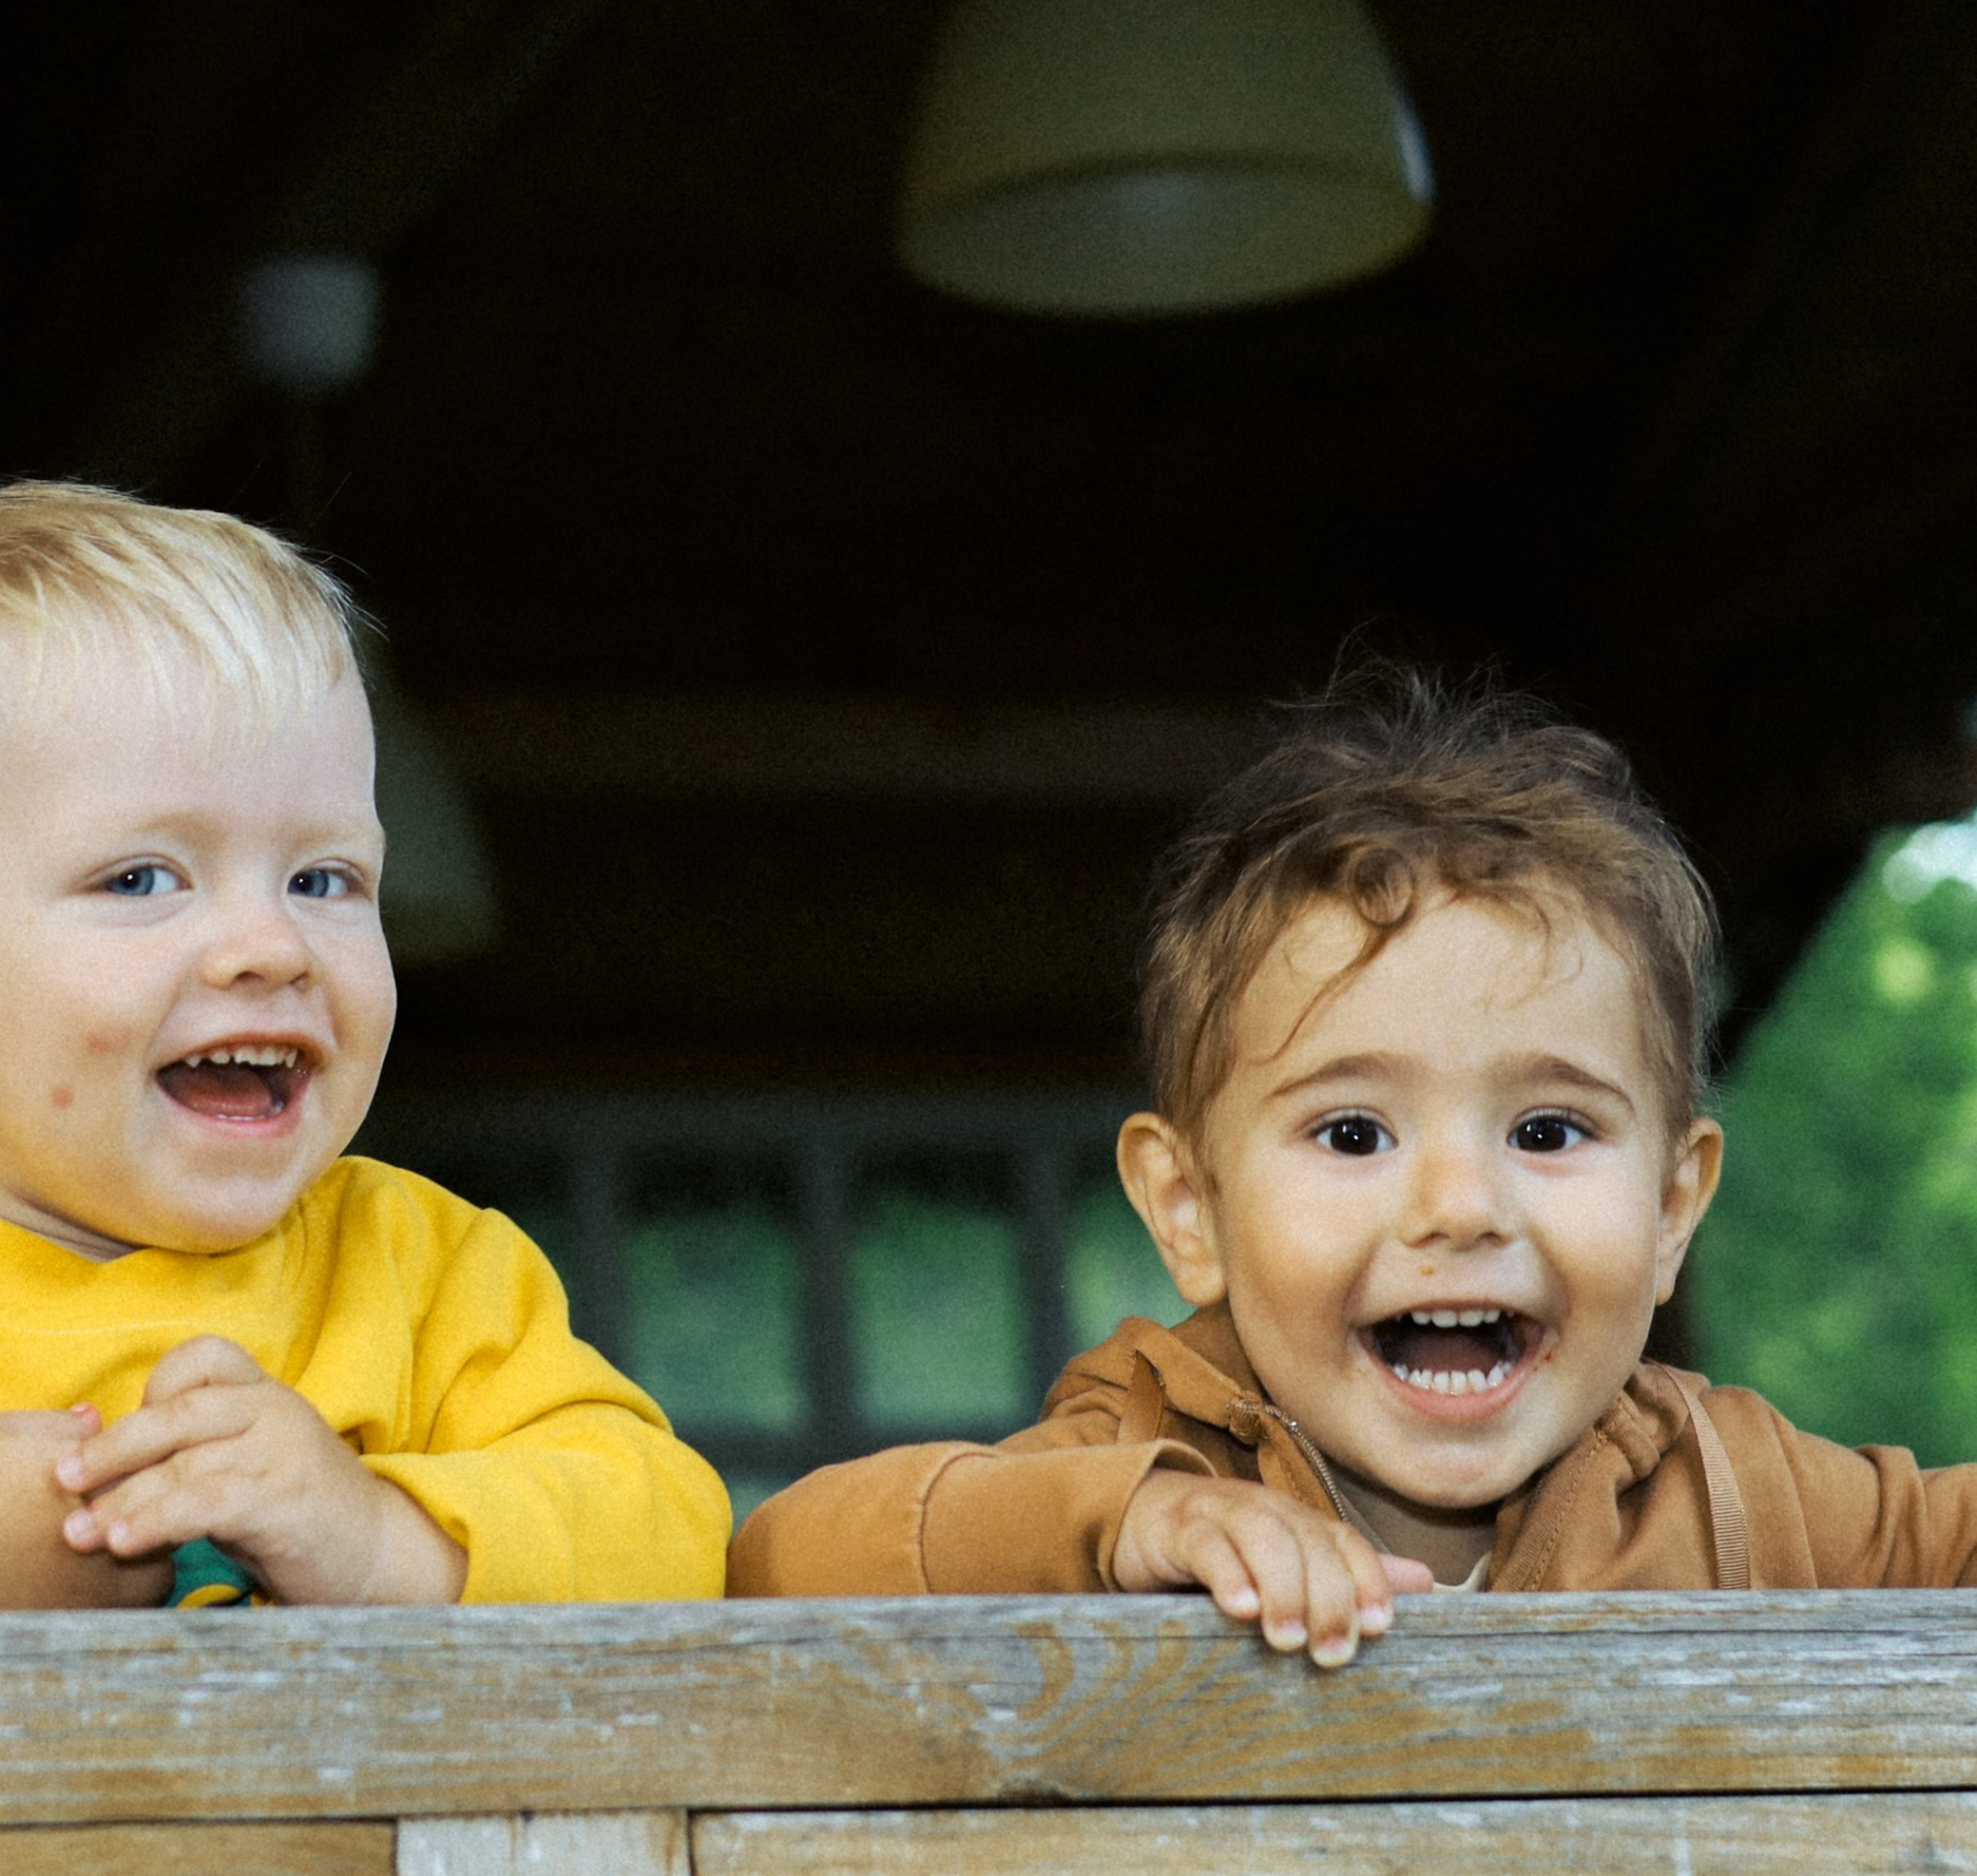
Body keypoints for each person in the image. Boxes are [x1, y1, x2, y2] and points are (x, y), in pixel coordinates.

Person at [0, 482, 728, 1616]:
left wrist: (375, 1539)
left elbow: (670, 1525)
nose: (270, 943)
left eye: (324, 876)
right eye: (142, 876)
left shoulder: (429, 1276)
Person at [730, 673, 1977, 1660]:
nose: (1459, 1206)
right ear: (1190, 1208)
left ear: (1669, 1207)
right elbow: (781, 1564)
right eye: (1352, 1134)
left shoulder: (1730, 1484)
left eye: (1546, 1132)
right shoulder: (1156, 1446)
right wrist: (1131, 1523)